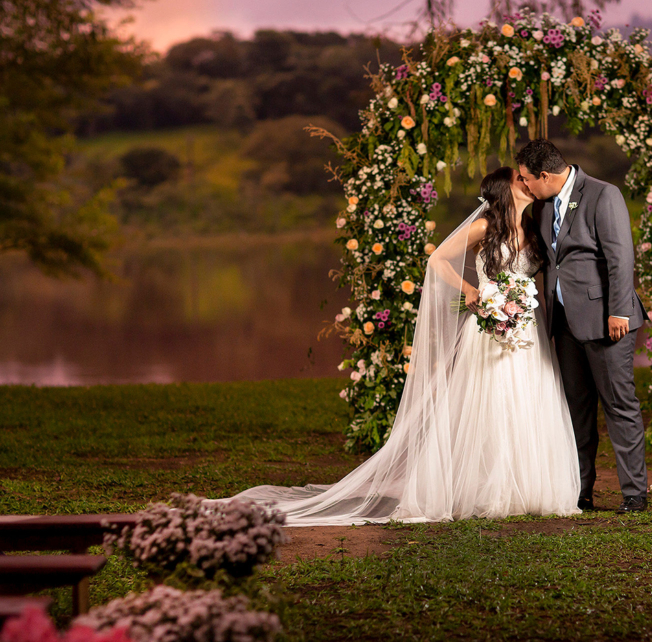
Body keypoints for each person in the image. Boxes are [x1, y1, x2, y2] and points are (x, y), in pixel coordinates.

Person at [221, 166, 581, 525]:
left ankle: (529, 484)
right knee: (493, 402)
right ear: (504, 189)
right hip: (487, 330)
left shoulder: (534, 227)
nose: (528, 184)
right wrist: (473, 290)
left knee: (528, 400)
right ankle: (490, 488)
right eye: (520, 180)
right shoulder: (485, 227)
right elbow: (437, 258)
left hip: (527, 330)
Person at [515, 139, 649, 514]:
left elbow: (621, 257)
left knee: (619, 405)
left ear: (544, 175)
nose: (525, 187)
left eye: (527, 180)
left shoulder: (604, 195)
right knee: (575, 410)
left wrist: (619, 311)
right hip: (564, 323)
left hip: (608, 321)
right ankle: (579, 491)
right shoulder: (542, 208)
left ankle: (634, 494)